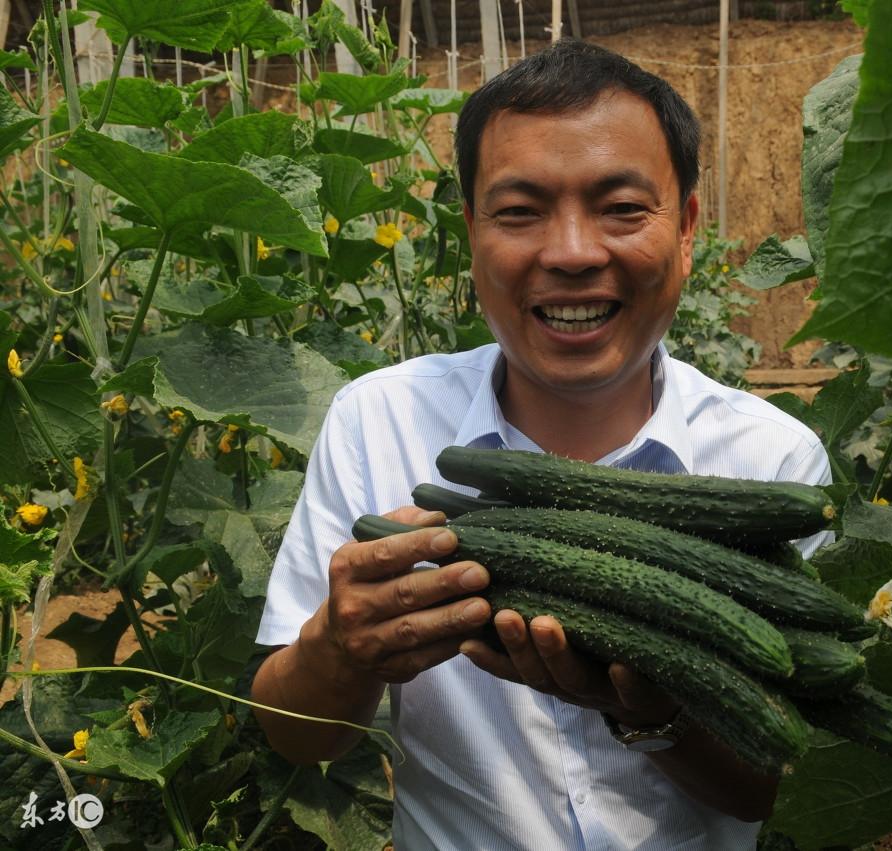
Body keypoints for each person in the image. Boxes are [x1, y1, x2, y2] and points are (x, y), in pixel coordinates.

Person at [250, 39, 830, 850]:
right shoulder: (375, 420)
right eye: (519, 211)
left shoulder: (772, 462)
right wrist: (337, 650)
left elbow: (779, 781)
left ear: (689, 227)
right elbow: (295, 734)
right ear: (471, 232)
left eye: (622, 208)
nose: (570, 252)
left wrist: (655, 714)